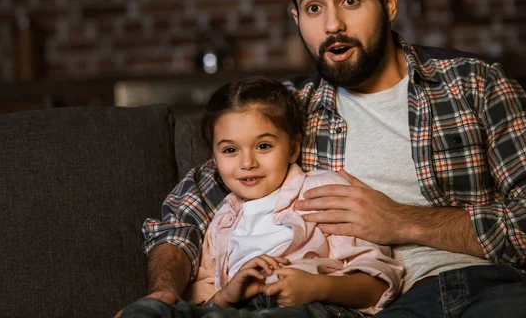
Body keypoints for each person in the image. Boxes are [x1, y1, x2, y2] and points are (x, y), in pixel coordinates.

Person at [119, 0, 526, 318]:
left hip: (495, 284)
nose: (332, 25)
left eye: (350, 0)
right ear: (296, 18)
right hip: (389, 306)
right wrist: (163, 293)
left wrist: (400, 220)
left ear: (388, 3)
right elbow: (183, 215)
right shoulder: (286, 113)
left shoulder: (474, 85)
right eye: (313, 7)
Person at [121, 78, 403, 317]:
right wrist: (229, 294)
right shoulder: (221, 222)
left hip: (315, 307)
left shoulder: (322, 191)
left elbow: (378, 283)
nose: (247, 163)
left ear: (293, 149)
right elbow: (207, 304)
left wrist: (317, 286)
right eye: (230, 151)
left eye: (264, 146)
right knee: (156, 312)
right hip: (238, 310)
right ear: (215, 158)